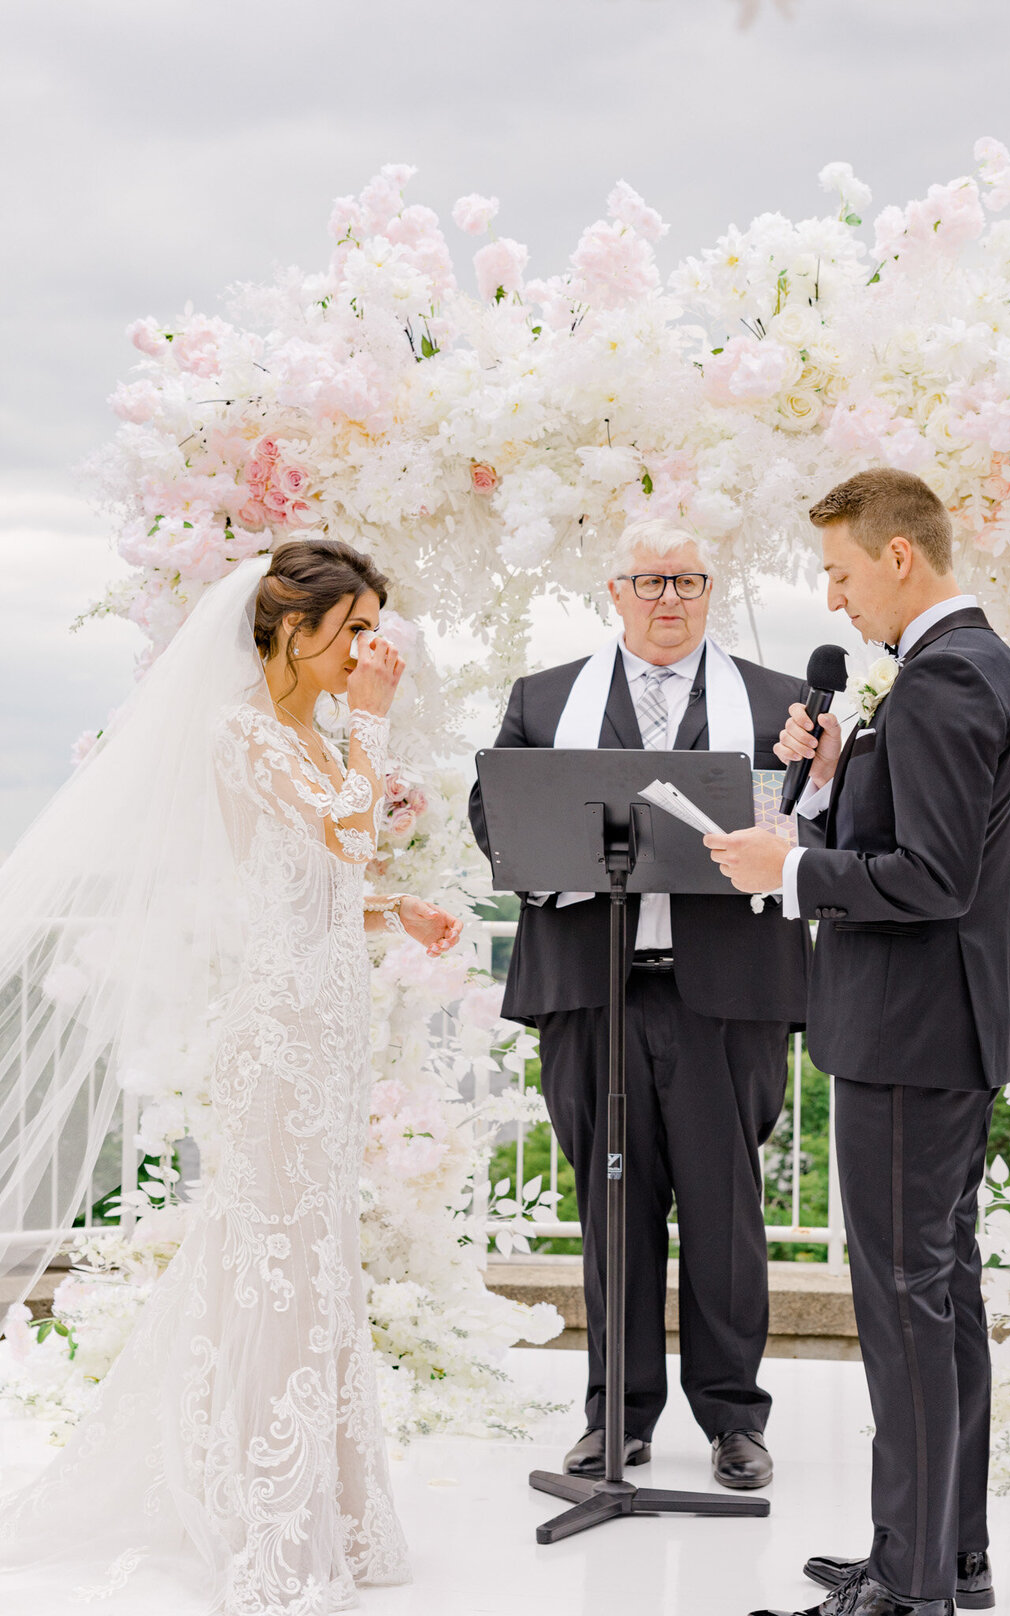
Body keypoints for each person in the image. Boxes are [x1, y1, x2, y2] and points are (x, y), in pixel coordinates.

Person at [0, 540, 462, 1614]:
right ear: (291, 630)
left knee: (312, 1255)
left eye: (375, 627)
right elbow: (343, 824)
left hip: (332, 1017)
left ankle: (330, 1504)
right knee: (276, 1257)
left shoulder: (318, 732)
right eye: (354, 628)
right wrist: (381, 722)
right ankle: (268, 1512)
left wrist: (402, 909)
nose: (370, 648)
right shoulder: (245, 731)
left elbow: (323, 874)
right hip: (281, 1027)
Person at [705, 470, 1010, 1616]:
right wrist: (836, 777)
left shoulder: (947, 680)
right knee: (938, 1297)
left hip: (908, 1036)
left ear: (901, 557)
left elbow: (934, 879)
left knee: (905, 1308)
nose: (836, 599)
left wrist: (789, 867)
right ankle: (949, 1552)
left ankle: (909, 1586)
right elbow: (924, 839)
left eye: (842, 573)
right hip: (940, 1031)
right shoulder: (979, 668)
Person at [469, 518, 812, 1490]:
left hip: (726, 994)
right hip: (592, 988)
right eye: (651, 580)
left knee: (725, 1210)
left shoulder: (780, 704)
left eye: (690, 580)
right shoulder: (543, 700)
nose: (671, 598)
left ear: (710, 591)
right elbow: (494, 811)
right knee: (609, 1206)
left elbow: (819, 814)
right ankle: (612, 1418)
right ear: (613, 592)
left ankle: (733, 1419)